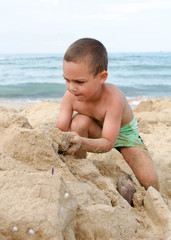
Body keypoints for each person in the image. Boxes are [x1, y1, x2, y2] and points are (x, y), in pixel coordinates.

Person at [56, 38, 159, 191]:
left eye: (79, 82)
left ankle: (157, 199)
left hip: (123, 134)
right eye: (67, 80)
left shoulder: (113, 99)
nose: (72, 87)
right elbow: (60, 130)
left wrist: (81, 141)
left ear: (101, 77)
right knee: (78, 123)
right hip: (96, 129)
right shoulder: (70, 97)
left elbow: (108, 142)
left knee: (149, 181)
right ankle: (78, 165)